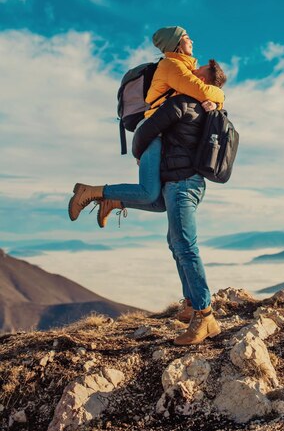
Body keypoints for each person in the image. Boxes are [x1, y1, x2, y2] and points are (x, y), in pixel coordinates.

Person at [68, 26, 224, 225]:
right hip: (153, 129)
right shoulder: (171, 66)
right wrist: (221, 97)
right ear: (175, 43)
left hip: (160, 131)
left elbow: (200, 93)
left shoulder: (183, 69)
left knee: (159, 202)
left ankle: (115, 201)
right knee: (149, 193)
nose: (192, 41)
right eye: (187, 37)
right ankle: (91, 192)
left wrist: (214, 102)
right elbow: (202, 90)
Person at [130, 60, 227, 345]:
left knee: (185, 245)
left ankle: (204, 316)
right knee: (177, 243)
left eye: (198, 75)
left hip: (182, 184)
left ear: (205, 83)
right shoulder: (207, 108)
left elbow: (146, 131)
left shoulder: (184, 103)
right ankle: (190, 304)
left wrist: (139, 152)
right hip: (189, 182)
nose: (190, 76)